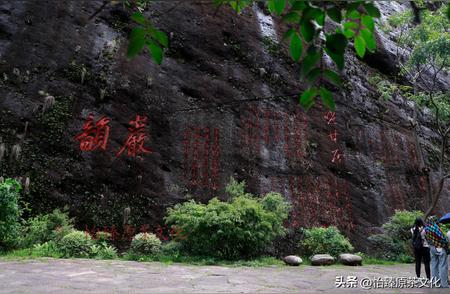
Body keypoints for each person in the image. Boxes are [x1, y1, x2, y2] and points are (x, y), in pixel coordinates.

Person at [424, 216, 449, 287]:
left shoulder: (426, 228)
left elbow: (426, 238)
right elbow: (442, 238)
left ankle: (435, 282)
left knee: (434, 265)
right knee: (442, 265)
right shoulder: (435, 228)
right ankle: (444, 284)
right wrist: (446, 243)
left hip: (432, 248)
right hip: (440, 247)